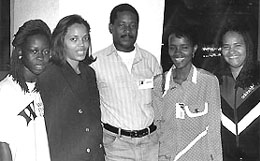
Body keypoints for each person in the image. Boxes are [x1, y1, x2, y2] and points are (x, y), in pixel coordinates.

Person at [91, 3, 162, 161]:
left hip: (150, 144)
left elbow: (160, 101)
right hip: (116, 146)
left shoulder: (150, 61)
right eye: (122, 25)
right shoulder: (96, 63)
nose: (128, 31)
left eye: (132, 25)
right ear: (111, 27)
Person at [38, 14, 105, 161]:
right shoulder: (50, 74)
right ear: (61, 41)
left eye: (85, 38)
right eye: (73, 39)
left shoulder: (89, 73)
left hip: (94, 154)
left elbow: (93, 117)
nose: (81, 44)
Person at [152, 27, 223, 161]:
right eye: (173, 48)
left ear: (194, 49)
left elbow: (213, 130)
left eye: (184, 47)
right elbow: (157, 129)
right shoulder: (159, 83)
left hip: (198, 157)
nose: (178, 53)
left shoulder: (208, 81)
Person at [0, 19, 51, 161]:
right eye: (34, 51)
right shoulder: (5, 91)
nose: (41, 57)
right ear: (20, 52)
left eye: (45, 51)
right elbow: (3, 145)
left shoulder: (42, 88)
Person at [213, 25, 260, 161]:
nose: (231, 51)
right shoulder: (216, 80)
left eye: (237, 45)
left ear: (248, 47)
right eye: (226, 46)